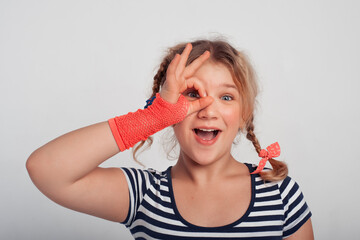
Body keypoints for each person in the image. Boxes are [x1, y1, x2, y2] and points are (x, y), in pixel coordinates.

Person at [26, 39, 314, 239]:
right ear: (169, 110)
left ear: (244, 115)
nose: (208, 110)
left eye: (226, 97)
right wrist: (149, 118)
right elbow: (47, 170)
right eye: (192, 94)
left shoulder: (280, 194)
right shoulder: (146, 195)